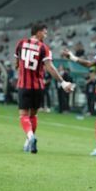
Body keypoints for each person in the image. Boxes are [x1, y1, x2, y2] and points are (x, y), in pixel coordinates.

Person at [15, 23, 74, 154]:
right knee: (33, 115)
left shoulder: (21, 43)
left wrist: (22, 68)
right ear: (38, 32)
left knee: (23, 115)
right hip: (38, 87)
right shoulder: (44, 48)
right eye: (44, 32)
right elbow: (50, 67)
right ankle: (28, 142)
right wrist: (63, 82)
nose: (46, 35)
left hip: (24, 85)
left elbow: (16, 63)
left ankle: (30, 137)